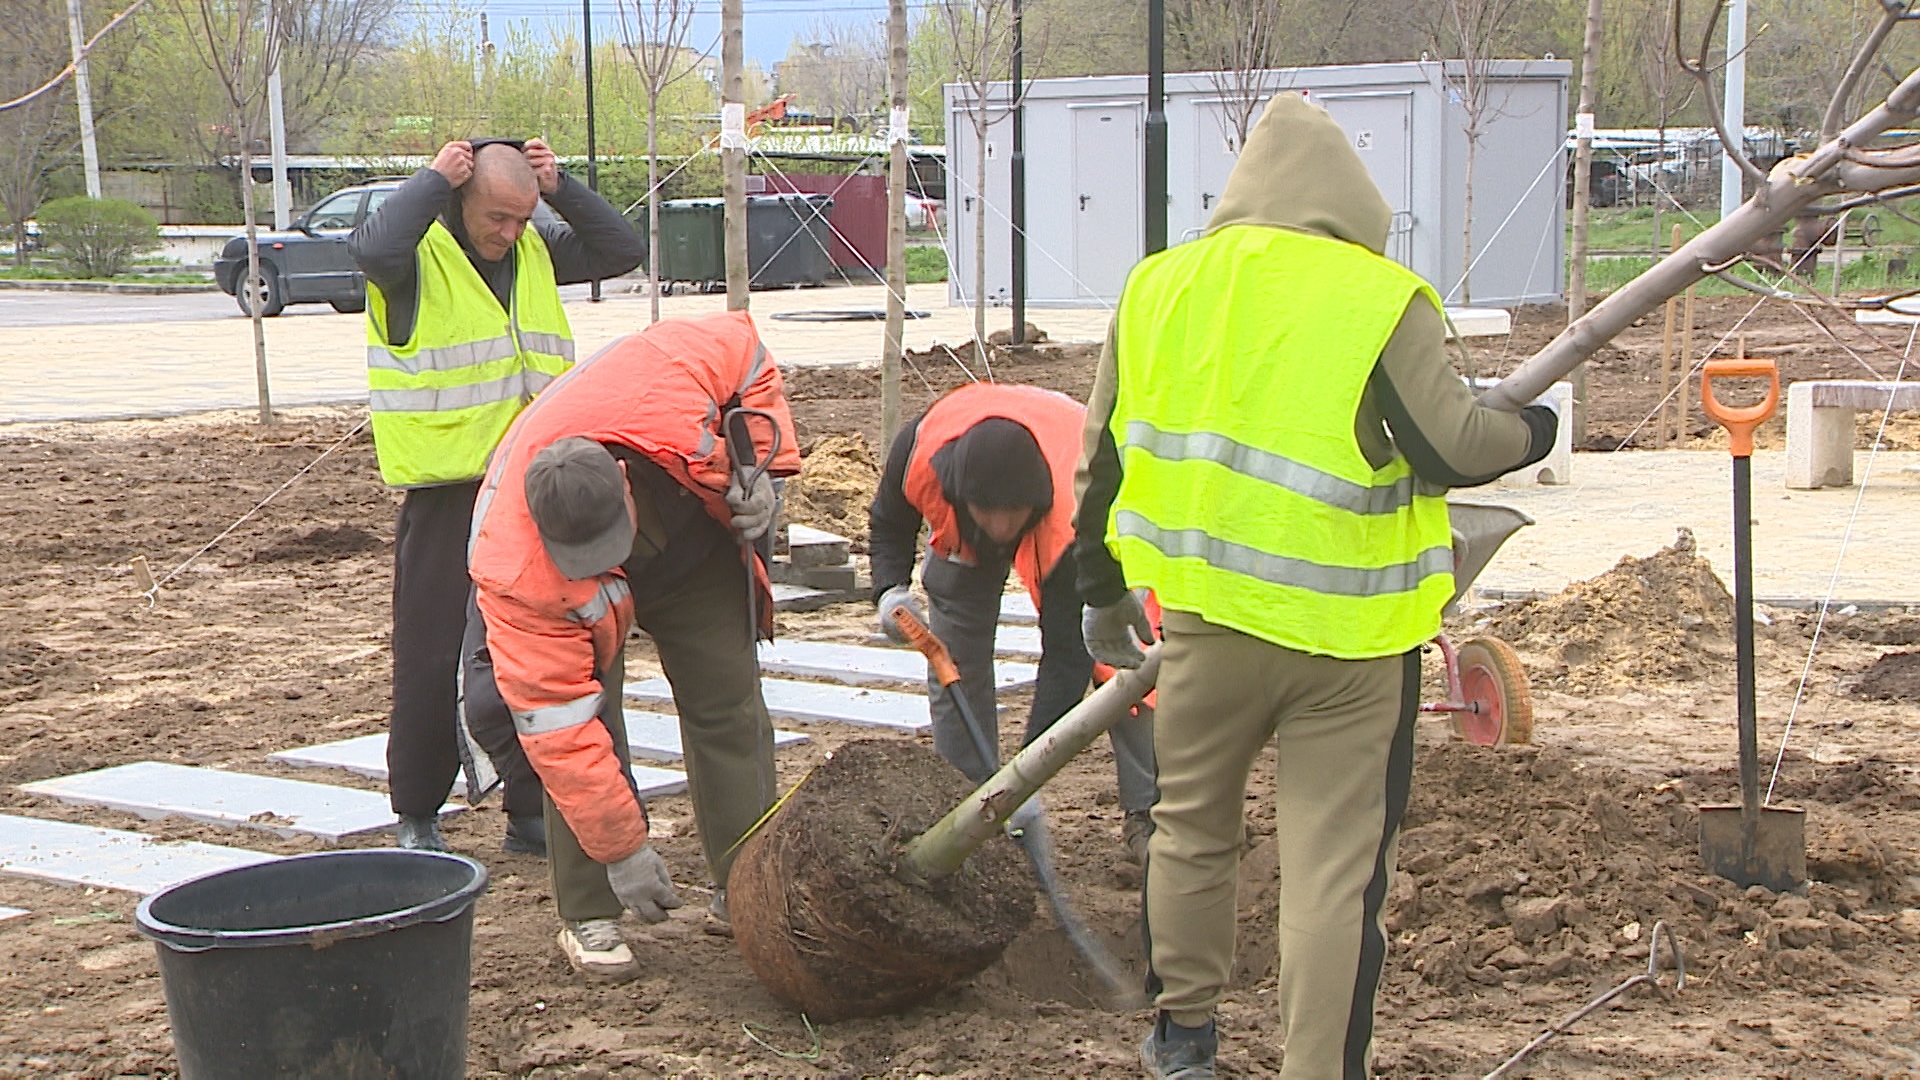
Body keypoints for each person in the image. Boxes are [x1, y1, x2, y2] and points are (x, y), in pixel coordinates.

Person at [1073, 94, 1559, 1080]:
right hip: (1353, 650)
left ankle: (1185, 1038)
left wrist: (1103, 591)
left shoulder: (1159, 288)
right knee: (1335, 874)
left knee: (1193, 831)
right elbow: (1451, 444)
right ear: (1353, 198)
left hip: (1208, 631)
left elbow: (1105, 460)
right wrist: (1537, 430)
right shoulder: (1381, 297)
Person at [466, 311, 799, 980]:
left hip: (688, 532)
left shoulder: (671, 384)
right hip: (569, 609)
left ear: (621, 479)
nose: (601, 560)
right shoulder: (516, 572)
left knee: (726, 704)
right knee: (589, 729)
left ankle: (746, 885)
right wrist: (623, 849)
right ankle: (589, 912)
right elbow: (562, 733)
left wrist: (765, 473)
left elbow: (748, 349)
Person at [348, 138, 645, 854]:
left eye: (524, 217)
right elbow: (370, 246)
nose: (511, 233)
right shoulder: (412, 261)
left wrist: (562, 187)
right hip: (449, 495)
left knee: (545, 652)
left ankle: (535, 813)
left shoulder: (538, 251)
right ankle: (417, 811)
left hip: (532, 492)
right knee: (430, 658)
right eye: (497, 217)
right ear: (458, 198)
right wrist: (430, 179)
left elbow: (621, 248)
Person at [869, 382, 1157, 861]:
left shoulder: (1077, 518)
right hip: (964, 505)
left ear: (1033, 504)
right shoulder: (920, 453)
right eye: (991, 515)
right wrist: (889, 591)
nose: (1002, 530)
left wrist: (1024, 782)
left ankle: (1147, 811)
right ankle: (964, 803)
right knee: (953, 655)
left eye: (1013, 517)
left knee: (1120, 662)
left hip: (1068, 490)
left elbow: (1066, 661)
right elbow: (889, 521)